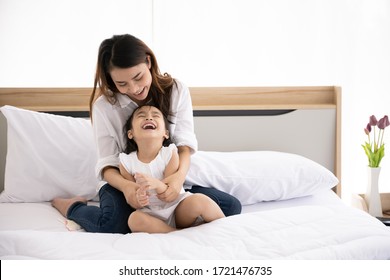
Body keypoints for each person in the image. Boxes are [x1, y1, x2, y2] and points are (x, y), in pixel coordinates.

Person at [52, 34, 241, 234]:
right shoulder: (104, 107)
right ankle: (73, 207)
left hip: (168, 179)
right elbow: (107, 164)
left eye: (138, 77)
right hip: (123, 184)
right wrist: (127, 188)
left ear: (148, 62)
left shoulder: (176, 91)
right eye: (122, 84)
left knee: (229, 207)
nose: (133, 89)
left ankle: (170, 220)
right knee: (112, 224)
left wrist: (176, 181)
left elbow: (184, 147)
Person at [119, 105, 225, 233]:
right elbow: (132, 195)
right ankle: (173, 232)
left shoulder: (169, 153)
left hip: (177, 207)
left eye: (155, 116)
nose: (149, 118)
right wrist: (139, 197)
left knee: (200, 200)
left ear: (165, 133)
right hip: (150, 213)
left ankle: (226, 227)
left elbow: (171, 192)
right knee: (134, 219)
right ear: (131, 133)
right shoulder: (126, 161)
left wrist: (157, 184)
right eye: (142, 115)